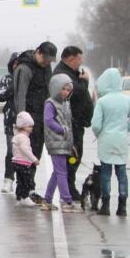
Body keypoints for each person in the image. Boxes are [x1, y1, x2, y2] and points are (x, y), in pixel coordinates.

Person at [54, 46, 94, 201]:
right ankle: (68, 189)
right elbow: (74, 91)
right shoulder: (61, 73)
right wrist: (85, 82)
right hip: (69, 123)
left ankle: (69, 187)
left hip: (77, 122)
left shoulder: (72, 72)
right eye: (79, 59)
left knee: (75, 155)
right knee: (72, 156)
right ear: (70, 59)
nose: (81, 62)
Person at [91, 68, 130, 216]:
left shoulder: (102, 101)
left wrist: (99, 133)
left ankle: (105, 205)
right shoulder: (127, 100)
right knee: (122, 174)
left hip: (106, 140)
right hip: (121, 140)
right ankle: (122, 206)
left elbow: (95, 124)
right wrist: (125, 128)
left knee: (105, 174)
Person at [13, 42, 57, 162]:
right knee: (25, 158)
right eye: (45, 59)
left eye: (49, 61)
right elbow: (20, 96)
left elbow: (49, 91)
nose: (47, 63)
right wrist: (22, 123)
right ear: (38, 52)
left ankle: (29, 180)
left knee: (35, 156)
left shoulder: (47, 68)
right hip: (28, 120)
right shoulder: (25, 68)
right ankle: (26, 181)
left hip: (41, 119)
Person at [41, 73, 76, 212]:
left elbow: (68, 124)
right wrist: (61, 130)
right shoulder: (50, 103)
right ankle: (67, 201)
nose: (66, 92)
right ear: (56, 88)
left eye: (69, 90)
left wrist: (70, 143)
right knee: (62, 172)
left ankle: (47, 200)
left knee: (57, 172)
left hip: (63, 142)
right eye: (64, 89)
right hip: (55, 142)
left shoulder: (66, 104)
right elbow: (48, 120)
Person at [0, 53, 18, 193]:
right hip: (11, 121)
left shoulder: (31, 78)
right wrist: (14, 85)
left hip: (28, 121)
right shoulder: (7, 79)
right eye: (15, 63)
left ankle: (26, 183)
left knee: (27, 152)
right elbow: (0, 95)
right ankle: (8, 180)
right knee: (11, 151)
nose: (17, 66)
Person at [11, 111, 39, 206]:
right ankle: (25, 196)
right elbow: (25, 150)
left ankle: (19, 197)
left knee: (20, 180)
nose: (31, 128)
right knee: (27, 180)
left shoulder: (17, 136)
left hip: (16, 162)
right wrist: (34, 159)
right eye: (29, 126)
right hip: (22, 162)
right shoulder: (24, 138)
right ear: (23, 127)